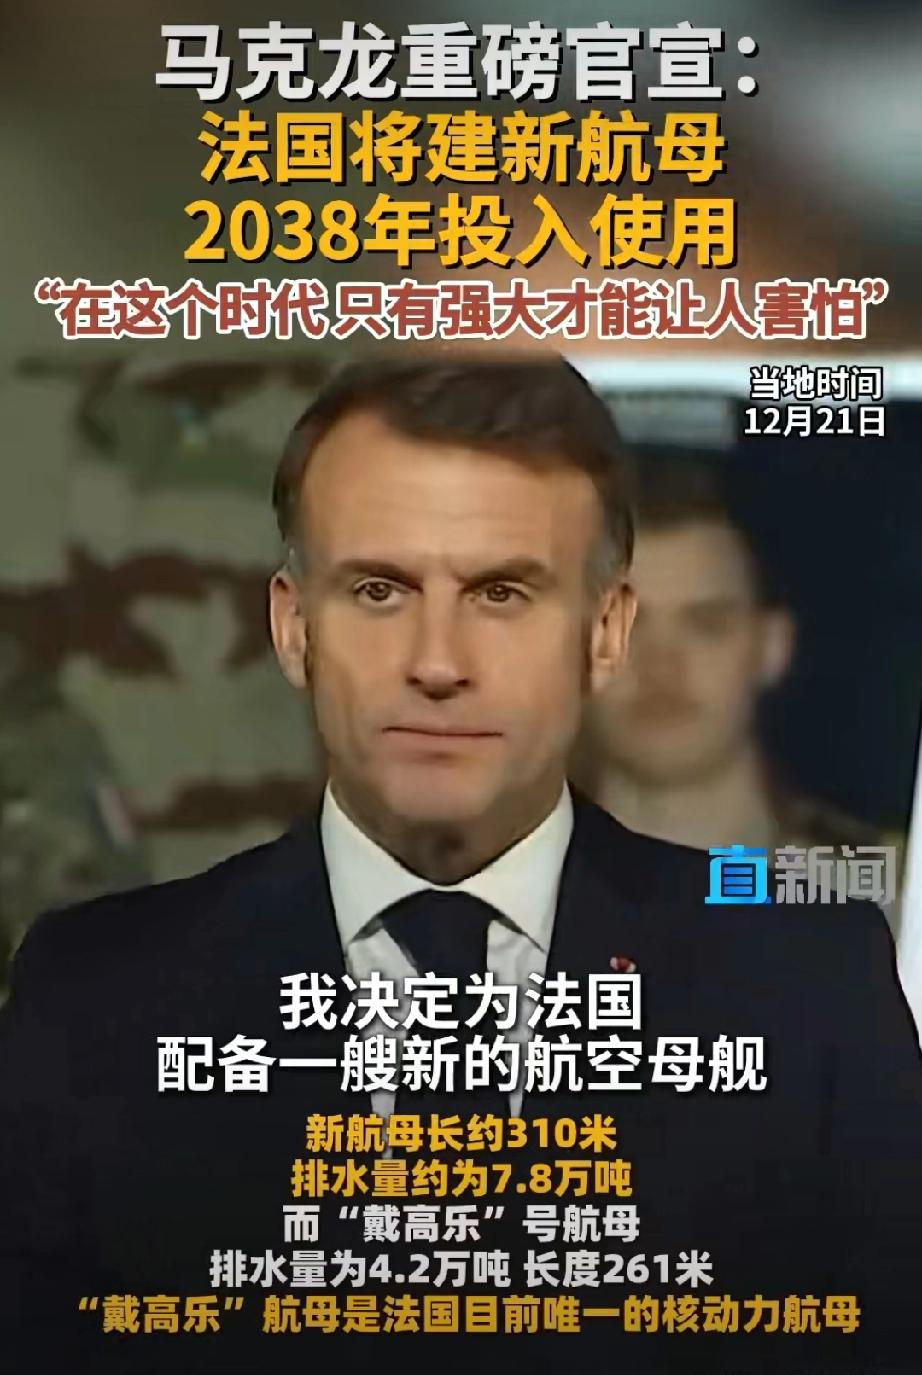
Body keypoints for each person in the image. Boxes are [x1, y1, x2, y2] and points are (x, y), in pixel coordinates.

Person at [0, 356, 919, 1375]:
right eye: (378, 589)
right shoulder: (90, 998)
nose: (437, 661)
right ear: (293, 628)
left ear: (603, 632)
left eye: (501, 592)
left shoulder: (808, 992)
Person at [571, 450, 904, 926]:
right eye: (626, 625)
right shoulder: (489, 893)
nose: (662, 666)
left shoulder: (893, 896)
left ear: (771, 647)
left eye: (707, 623)